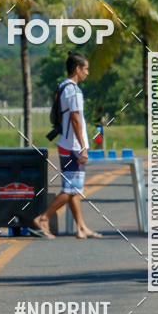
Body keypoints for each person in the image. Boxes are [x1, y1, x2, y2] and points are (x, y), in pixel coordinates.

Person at [32, 51, 102, 239]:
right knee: (71, 189)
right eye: (85, 69)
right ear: (77, 69)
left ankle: (81, 227)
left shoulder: (63, 86)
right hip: (72, 146)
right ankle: (43, 218)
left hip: (67, 143)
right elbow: (75, 119)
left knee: (74, 189)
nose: (87, 73)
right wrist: (83, 146)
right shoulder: (74, 90)